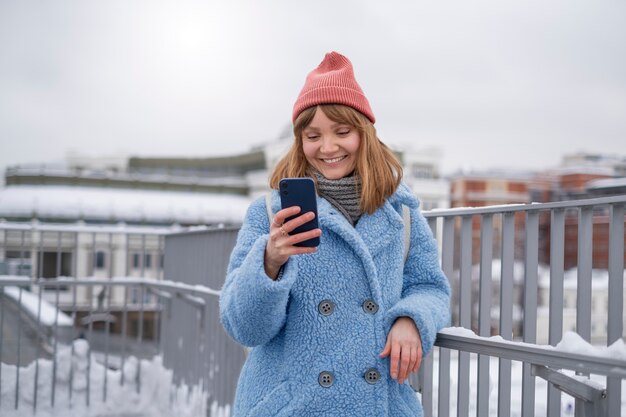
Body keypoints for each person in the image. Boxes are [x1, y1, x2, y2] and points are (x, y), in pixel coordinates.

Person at [220, 51, 450, 417]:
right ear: (300, 141)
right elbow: (243, 328)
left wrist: (412, 318)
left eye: (342, 132)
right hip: (291, 405)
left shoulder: (402, 215)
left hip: (378, 404)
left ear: (364, 133)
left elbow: (430, 287)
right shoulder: (269, 214)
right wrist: (269, 262)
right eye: (313, 136)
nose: (327, 148)